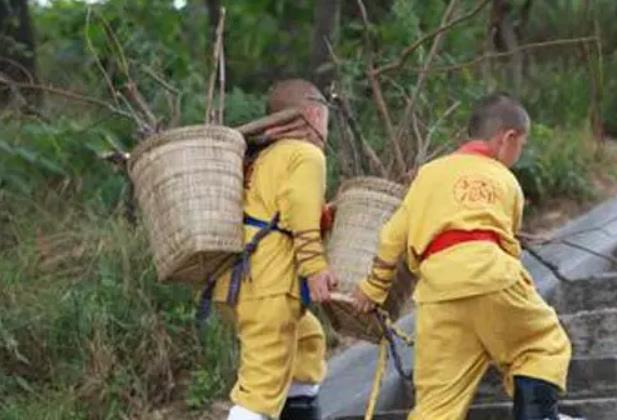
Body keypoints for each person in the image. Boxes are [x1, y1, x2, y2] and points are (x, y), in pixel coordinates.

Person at [352, 93, 572, 420]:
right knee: (542, 346)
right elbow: (506, 247)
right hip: (491, 277)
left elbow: (390, 238)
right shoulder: (506, 180)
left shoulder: (427, 174)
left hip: (439, 293)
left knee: (437, 403)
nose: (518, 153)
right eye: (520, 145)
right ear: (507, 138)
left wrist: (373, 290)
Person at [210, 79, 338, 420]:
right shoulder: (306, 154)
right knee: (260, 390)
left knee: (306, 343)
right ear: (313, 113)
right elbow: (300, 213)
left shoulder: (260, 157)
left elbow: (277, 211)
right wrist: (315, 269)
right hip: (269, 285)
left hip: (238, 283)